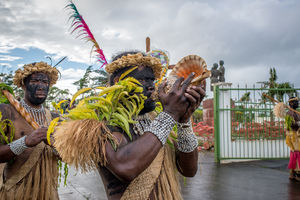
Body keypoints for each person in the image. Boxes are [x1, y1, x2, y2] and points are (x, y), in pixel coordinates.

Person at [0, 62, 60, 199]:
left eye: (45, 82)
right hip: (16, 192)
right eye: (34, 81)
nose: (41, 86)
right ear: (23, 84)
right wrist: (25, 142)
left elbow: (68, 156)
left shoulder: (56, 118)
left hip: (49, 193)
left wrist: (55, 144)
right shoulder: (7, 111)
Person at [286, 97, 300, 181]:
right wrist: (299, 123)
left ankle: (292, 172)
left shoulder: (296, 113)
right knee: (297, 152)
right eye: (295, 102)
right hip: (293, 135)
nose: (297, 103)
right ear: (290, 103)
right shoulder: (290, 113)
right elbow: (290, 124)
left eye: (297, 102)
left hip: (297, 135)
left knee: (295, 152)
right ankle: (298, 173)